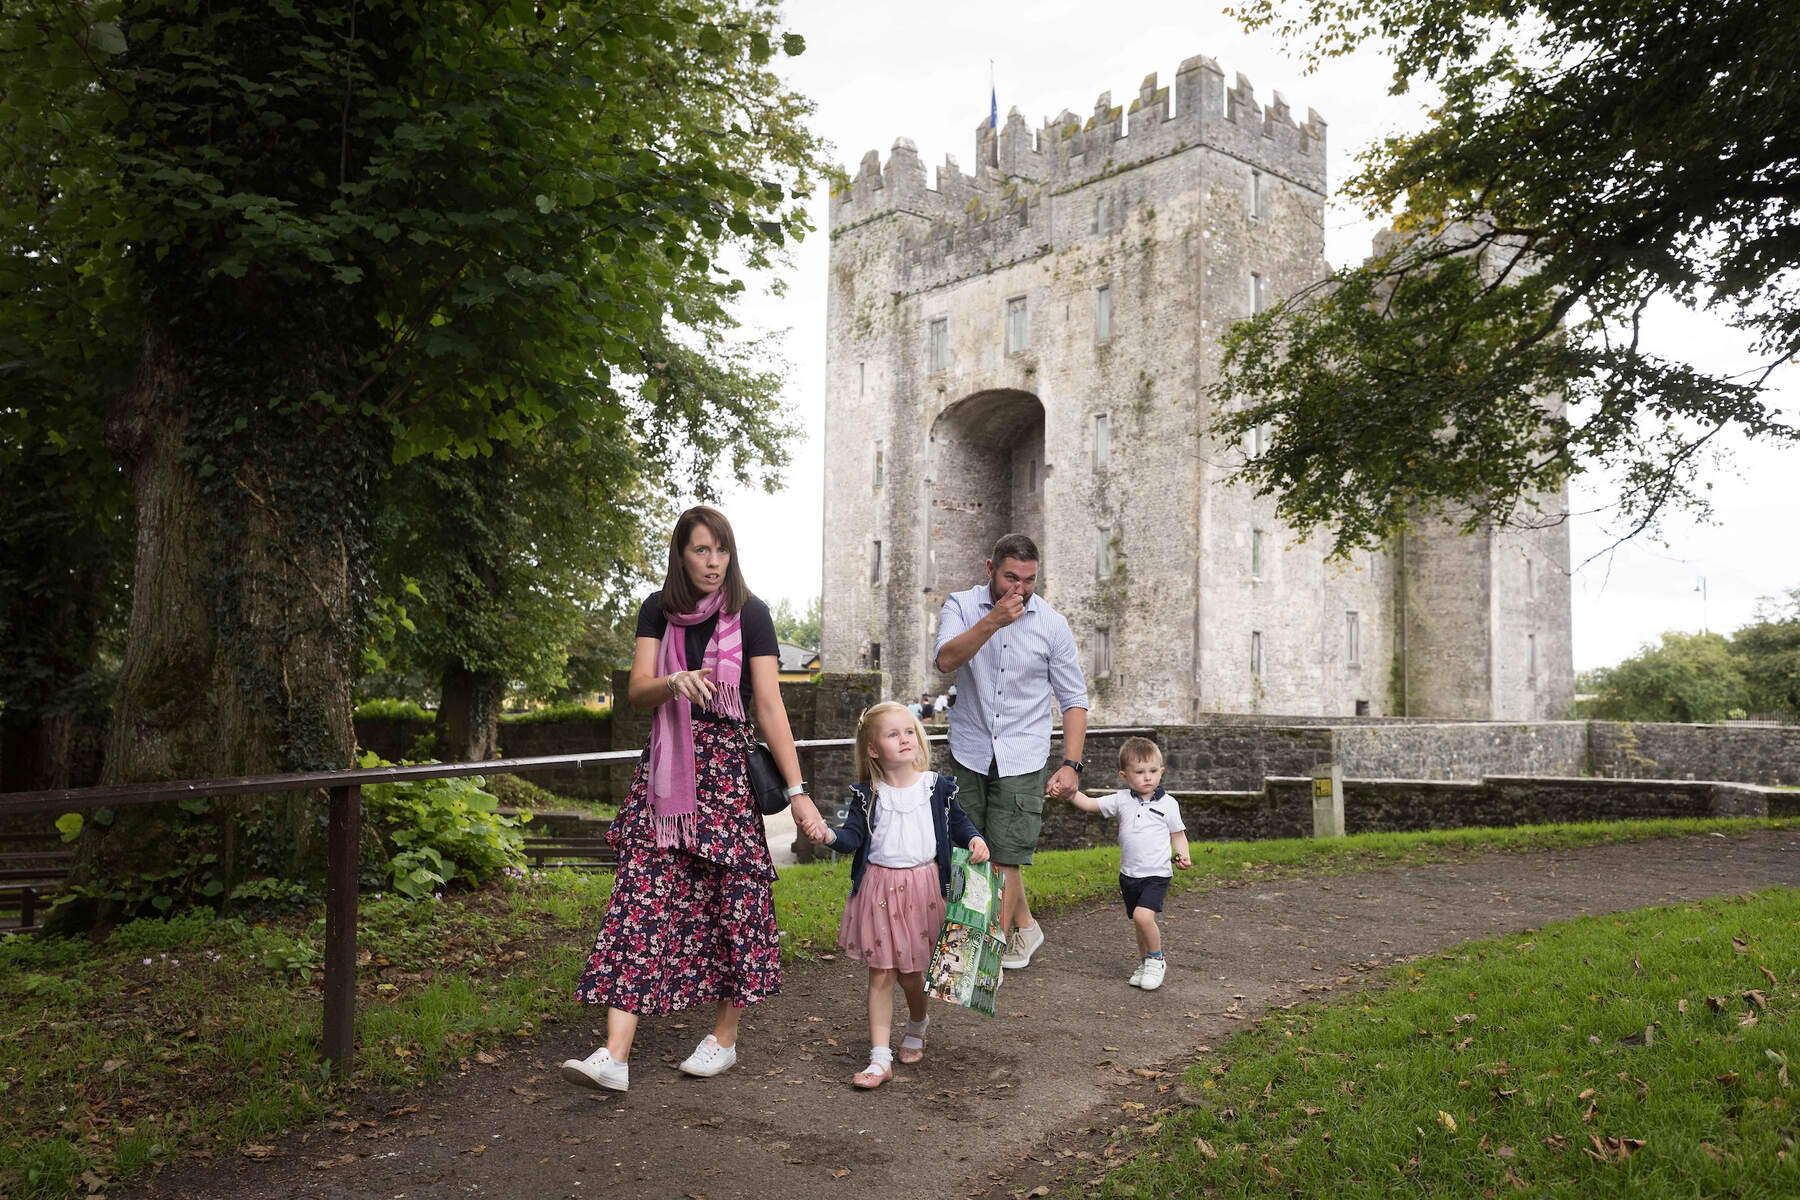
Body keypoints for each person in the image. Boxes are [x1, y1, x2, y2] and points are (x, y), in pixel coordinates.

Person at [561, 506, 830, 1094]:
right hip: (667, 775)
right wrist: (671, 681)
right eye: (701, 551)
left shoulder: (751, 613)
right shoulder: (658, 609)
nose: (713, 563)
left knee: (736, 904)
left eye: (722, 551)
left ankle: (724, 1040)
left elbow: (768, 706)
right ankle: (614, 1055)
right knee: (640, 900)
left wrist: (799, 793)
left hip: (727, 777)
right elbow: (636, 690)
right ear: (681, 555)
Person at [808, 701, 988, 1088]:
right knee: (881, 972)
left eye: (908, 731)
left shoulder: (937, 787)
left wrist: (974, 838)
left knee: (912, 976)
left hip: (924, 890)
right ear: (873, 749)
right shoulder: (866, 794)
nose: (904, 739)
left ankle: (918, 1022)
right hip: (879, 890)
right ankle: (879, 1057)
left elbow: (959, 822)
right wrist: (828, 835)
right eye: (893, 734)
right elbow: (852, 838)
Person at [933, 532, 1089, 971]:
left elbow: (1074, 699)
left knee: (1004, 857)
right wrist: (993, 622)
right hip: (970, 749)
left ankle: (980, 960)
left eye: (1029, 580)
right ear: (989, 570)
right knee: (970, 854)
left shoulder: (1052, 624)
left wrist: (1071, 764)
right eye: (1010, 578)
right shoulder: (961, 606)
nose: (1019, 589)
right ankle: (1025, 926)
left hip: (1025, 752)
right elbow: (945, 660)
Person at [1061, 737, 1190, 989]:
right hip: (1129, 875)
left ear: (1161, 772)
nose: (1147, 777)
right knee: (1139, 923)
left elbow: (1178, 834)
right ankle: (1144, 962)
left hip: (1157, 874)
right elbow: (1089, 804)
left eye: (1153, 771)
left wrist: (1183, 854)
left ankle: (1157, 960)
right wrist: (1069, 791)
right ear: (1124, 775)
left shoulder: (1168, 804)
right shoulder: (1121, 800)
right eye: (1140, 772)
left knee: (1143, 917)